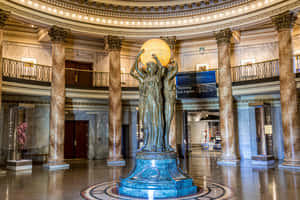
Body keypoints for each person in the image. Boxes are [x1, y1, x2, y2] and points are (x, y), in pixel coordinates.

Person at [163, 60, 178, 151]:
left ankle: (166, 144)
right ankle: (166, 144)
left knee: (167, 125)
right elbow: (175, 70)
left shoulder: (169, 80)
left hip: (170, 102)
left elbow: (175, 70)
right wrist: (174, 63)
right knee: (167, 124)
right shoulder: (167, 79)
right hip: (168, 103)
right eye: (170, 70)